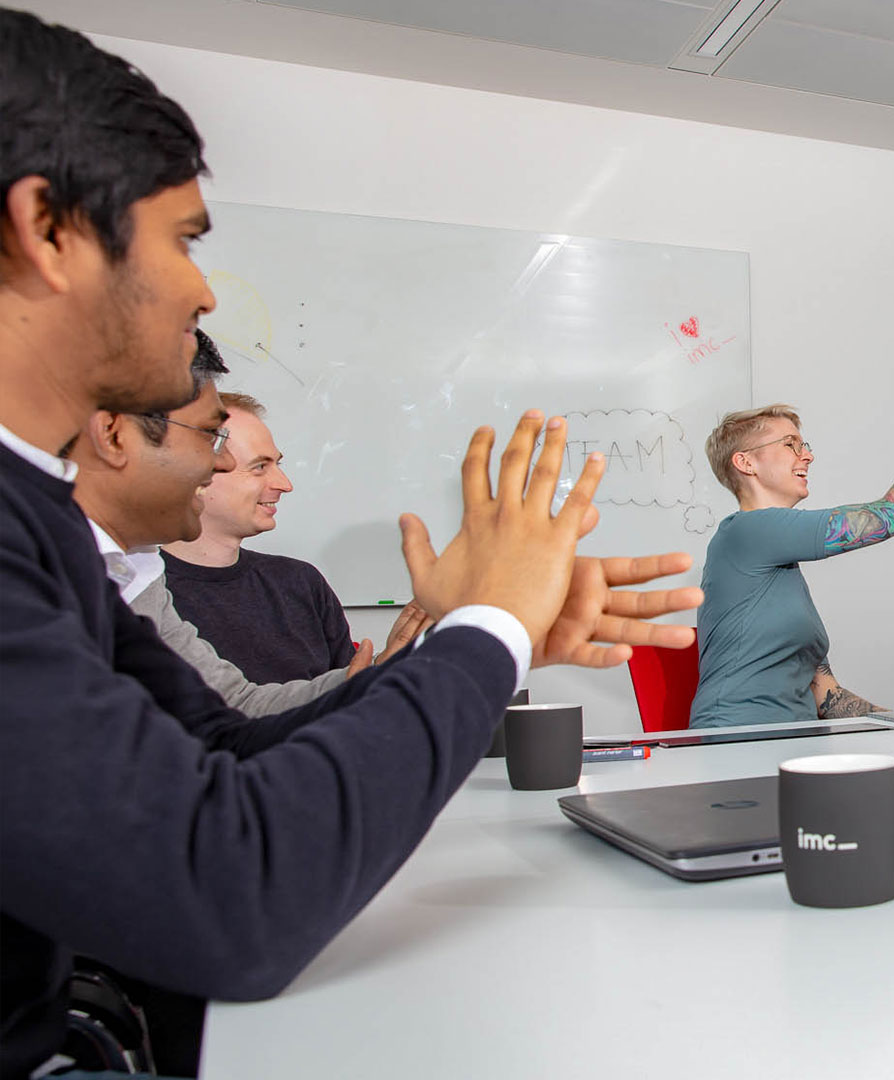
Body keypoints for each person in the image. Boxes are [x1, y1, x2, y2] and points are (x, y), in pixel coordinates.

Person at [0, 14, 699, 1078]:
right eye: (183, 239)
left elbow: (223, 744)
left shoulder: (39, 514)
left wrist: (482, 637)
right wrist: (489, 627)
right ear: (47, 229)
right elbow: (229, 895)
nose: (202, 291)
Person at [71, 331, 427, 716]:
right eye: (208, 439)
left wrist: (374, 678)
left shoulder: (138, 573)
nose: (216, 461)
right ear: (113, 434)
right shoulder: (69, 569)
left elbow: (233, 707)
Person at [689, 334, 894, 727]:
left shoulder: (779, 564)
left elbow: (825, 695)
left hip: (792, 742)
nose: (807, 454)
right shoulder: (746, 532)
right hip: (740, 741)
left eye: (803, 444)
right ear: (746, 463)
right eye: (790, 444)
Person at [161, 392, 356, 683]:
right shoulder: (141, 591)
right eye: (259, 467)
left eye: (278, 464)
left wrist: (386, 670)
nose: (284, 484)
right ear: (195, 470)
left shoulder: (300, 582)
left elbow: (349, 702)